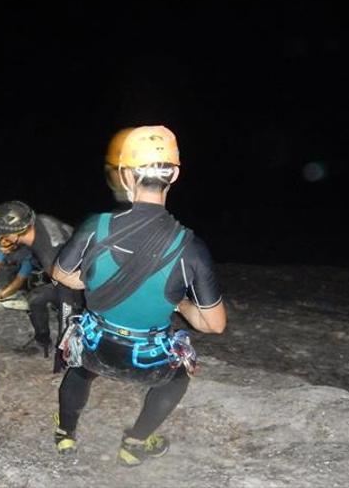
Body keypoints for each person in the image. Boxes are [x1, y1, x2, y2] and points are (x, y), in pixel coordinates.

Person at [51, 125, 227, 466]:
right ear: (173, 174)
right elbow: (214, 324)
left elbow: (61, 275)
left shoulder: (95, 226)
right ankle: (134, 443)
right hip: (148, 364)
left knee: (79, 370)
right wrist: (177, 302)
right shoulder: (190, 247)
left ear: (124, 175)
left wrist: (99, 284)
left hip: (95, 349)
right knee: (177, 380)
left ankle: (66, 436)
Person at [0, 201, 83, 362]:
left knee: (69, 316)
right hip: (69, 273)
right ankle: (42, 341)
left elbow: (68, 295)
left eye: (3, 234)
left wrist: (63, 347)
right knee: (36, 298)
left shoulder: (48, 252)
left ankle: (72, 358)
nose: (1, 238)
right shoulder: (38, 222)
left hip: (79, 283)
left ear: (15, 234)